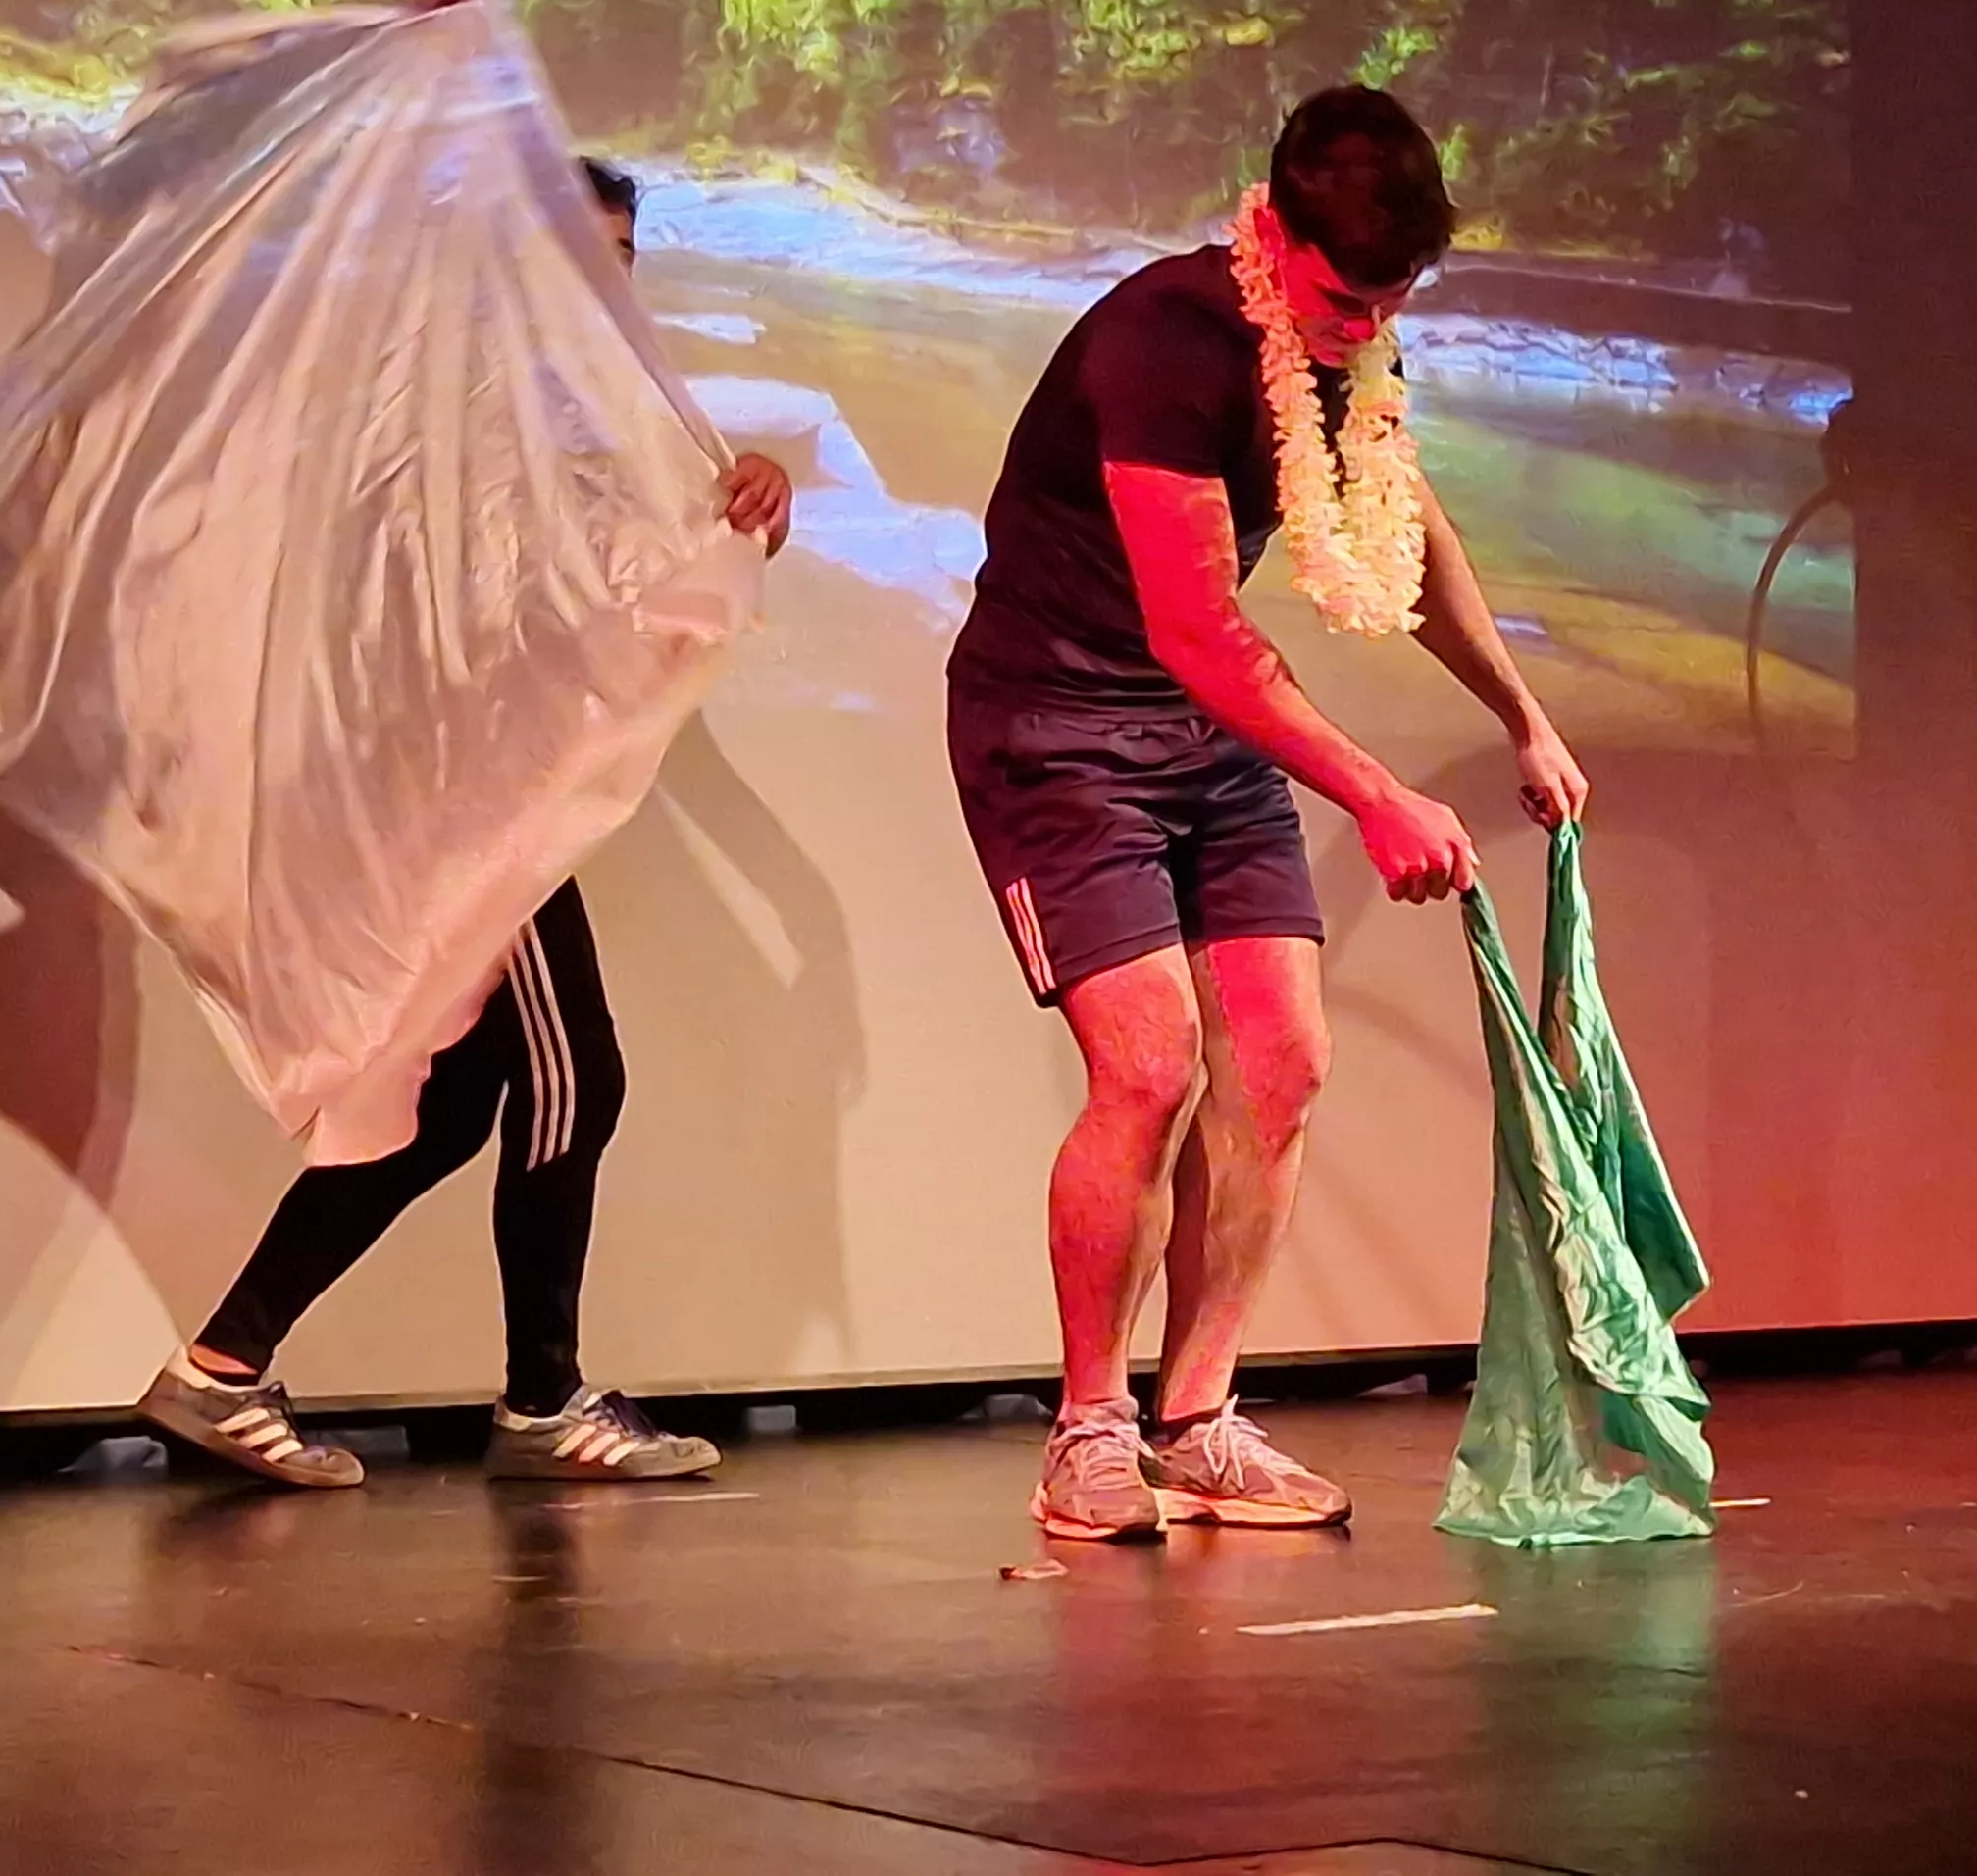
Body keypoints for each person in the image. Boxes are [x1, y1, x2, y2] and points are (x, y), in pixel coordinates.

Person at [947, 87, 1590, 1543]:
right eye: (1339, 296)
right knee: (1153, 1063)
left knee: (1285, 1060)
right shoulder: (1168, 344)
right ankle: (1089, 1428)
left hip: (1207, 735)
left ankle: (1200, 1420)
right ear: (1270, 230)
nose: (1362, 326)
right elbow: (1194, 631)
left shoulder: (1350, 350)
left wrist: (1519, 713)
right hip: (1060, 729)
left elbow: (1403, 520)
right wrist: (1372, 790)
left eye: (1390, 304)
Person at [137, 154, 798, 1487]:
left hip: (484, 794)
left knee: (442, 1108)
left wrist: (747, 495)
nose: (600, 284)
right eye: (572, 255)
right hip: (450, 799)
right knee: (573, 1074)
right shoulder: (448, 403)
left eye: (619, 258)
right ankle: (544, 1401)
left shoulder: (603, 416)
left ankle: (221, 1368)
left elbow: (631, 575)